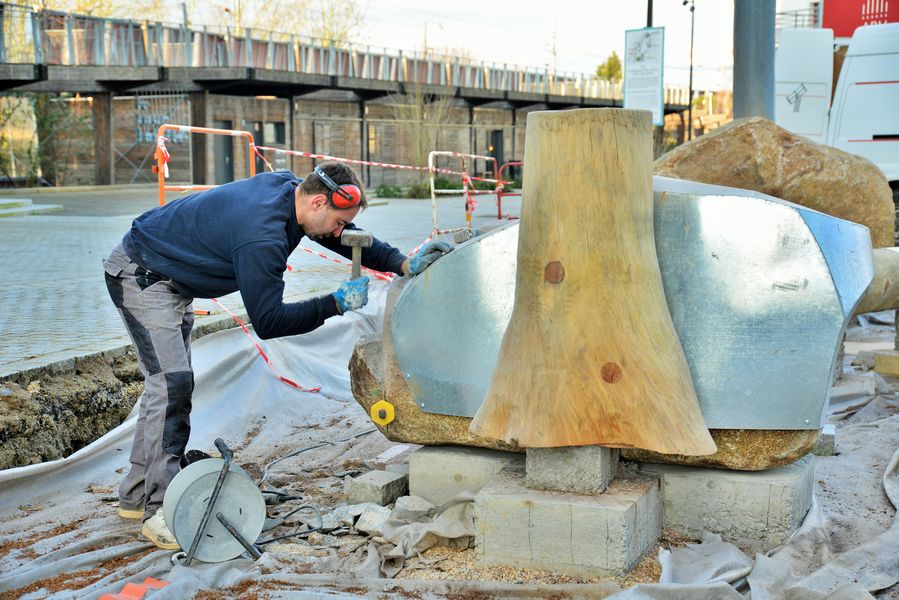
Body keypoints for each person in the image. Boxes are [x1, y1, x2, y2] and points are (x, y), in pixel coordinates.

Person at [102, 162, 452, 549]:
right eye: (337, 220)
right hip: (143, 275)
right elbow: (268, 322)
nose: (340, 232)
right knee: (171, 384)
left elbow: (345, 237)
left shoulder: (292, 190)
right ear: (318, 200)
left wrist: (401, 262)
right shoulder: (261, 237)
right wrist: (333, 304)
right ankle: (160, 510)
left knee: (167, 385)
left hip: (172, 270)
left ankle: (135, 496)